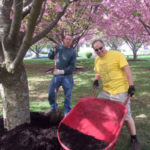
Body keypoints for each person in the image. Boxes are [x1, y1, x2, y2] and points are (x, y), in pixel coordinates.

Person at [92, 39, 141, 150]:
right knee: (96, 108)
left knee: (126, 115)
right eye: (97, 50)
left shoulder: (117, 55)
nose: (99, 51)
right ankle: (103, 131)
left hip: (120, 91)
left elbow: (127, 69)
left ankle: (134, 138)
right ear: (94, 51)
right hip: (106, 91)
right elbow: (98, 71)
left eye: (101, 48)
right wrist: (96, 80)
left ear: (104, 46)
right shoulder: (97, 60)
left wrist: (131, 85)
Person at [48, 35, 76, 116]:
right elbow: (50, 57)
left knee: (68, 94)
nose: (68, 41)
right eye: (67, 39)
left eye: (70, 40)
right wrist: (52, 50)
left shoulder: (73, 52)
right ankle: (53, 108)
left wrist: (60, 71)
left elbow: (72, 67)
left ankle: (67, 111)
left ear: (71, 42)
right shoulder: (58, 48)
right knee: (51, 93)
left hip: (67, 76)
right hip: (56, 76)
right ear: (64, 40)